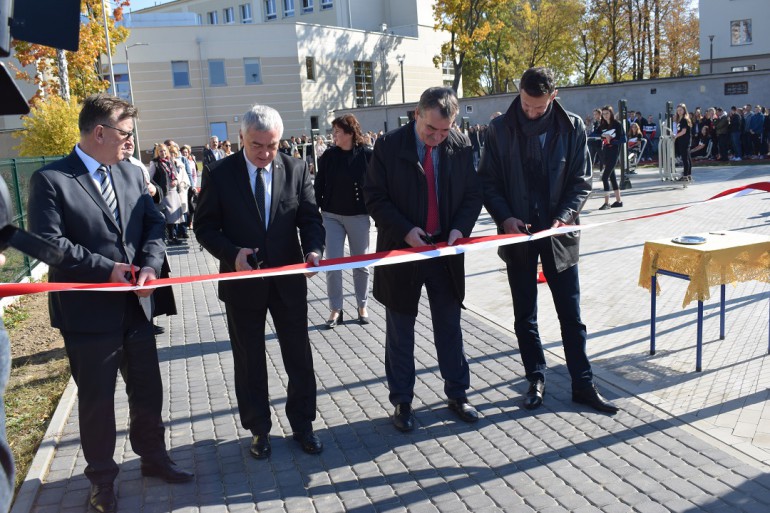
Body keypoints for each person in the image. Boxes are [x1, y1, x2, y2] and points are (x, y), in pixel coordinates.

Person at [27, 94, 193, 513]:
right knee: (97, 401)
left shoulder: (131, 175)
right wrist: (107, 269)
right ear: (99, 132)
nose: (131, 143)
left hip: (136, 307)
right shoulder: (51, 180)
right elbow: (49, 245)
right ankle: (102, 480)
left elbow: (154, 223)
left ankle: (153, 458)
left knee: (148, 391)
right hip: (87, 315)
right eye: (125, 134)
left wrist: (151, 267)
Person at [477, 67, 619, 415]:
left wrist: (564, 218)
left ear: (553, 97)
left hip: (560, 235)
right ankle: (535, 379)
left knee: (571, 314)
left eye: (538, 107)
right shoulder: (498, 129)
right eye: (526, 104)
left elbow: (582, 181)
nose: (530, 112)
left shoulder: (572, 126)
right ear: (519, 93)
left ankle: (583, 384)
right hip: (517, 234)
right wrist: (505, 217)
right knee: (525, 314)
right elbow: (487, 182)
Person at [194, 104, 325, 460]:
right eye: (257, 146)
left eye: (273, 145)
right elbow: (203, 226)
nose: (266, 154)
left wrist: (314, 250)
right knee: (249, 360)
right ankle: (259, 429)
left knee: (298, 356)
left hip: (287, 282)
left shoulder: (296, 169)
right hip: (242, 284)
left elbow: (310, 218)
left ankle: (303, 425)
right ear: (241, 139)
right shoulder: (220, 174)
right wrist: (231, 254)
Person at [364, 86, 483, 432]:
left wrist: (460, 228)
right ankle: (402, 401)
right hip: (402, 250)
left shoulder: (460, 145)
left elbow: (472, 195)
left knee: (450, 325)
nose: (437, 137)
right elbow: (374, 197)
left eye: (445, 130)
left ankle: (458, 393)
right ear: (416, 114)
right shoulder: (388, 146)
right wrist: (405, 230)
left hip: (444, 252)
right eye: (431, 129)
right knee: (400, 331)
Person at [314, 114, 373, 328]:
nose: (334, 136)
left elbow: (376, 186)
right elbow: (318, 186)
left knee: (361, 264)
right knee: (333, 265)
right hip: (331, 216)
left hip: (358, 216)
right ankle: (335, 308)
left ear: (349, 133)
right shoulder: (328, 156)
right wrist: (315, 212)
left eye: (337, 131)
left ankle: (362, 305)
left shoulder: (367, 154)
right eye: (333, 132)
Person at [149, 144, 184, 244]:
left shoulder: (170, 160)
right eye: (160, 151)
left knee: (174, 216)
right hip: (164, 192)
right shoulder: (155, 163)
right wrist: (157, 188)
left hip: (173, 191)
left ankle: (174, 236)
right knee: (168, 216)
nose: (163, 153)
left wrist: (176, 181)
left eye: (164, 151)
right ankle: (169, 237)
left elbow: (176, 174)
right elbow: (150, 178)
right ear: (157, 152)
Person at [597, 105, 625, 210]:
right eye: (603, 114)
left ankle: (607, 203)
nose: (605, 116)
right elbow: (597, 134)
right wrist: (604, 136)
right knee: (612, 177)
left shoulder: (617, 124)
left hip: (614, 153)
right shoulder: (603, 124)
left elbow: (624, 139)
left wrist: (612, 140)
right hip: (605, 152)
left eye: (607, 113)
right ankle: (619, 201)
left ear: (611, 113)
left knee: (605, 177)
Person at [674, 103, 693, 181]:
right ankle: (688, 174)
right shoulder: (680, 119)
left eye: (681, 110)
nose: (679, 112)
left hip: (684, 140)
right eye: (678, 110)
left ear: (684, 110)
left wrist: (675, 136)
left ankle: (685, 176)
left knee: (685, 159)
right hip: (683, 140)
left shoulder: (684, 119)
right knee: (687, 158)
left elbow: (684, 131)